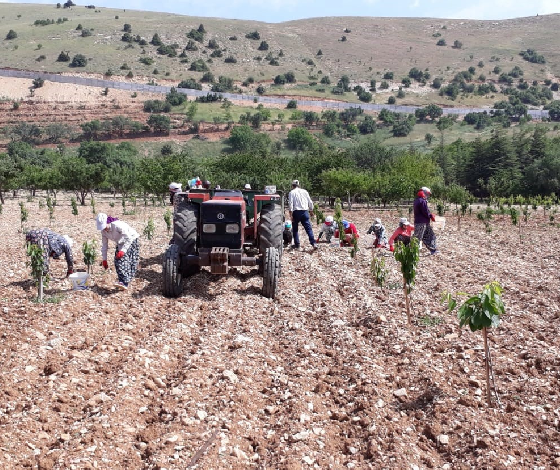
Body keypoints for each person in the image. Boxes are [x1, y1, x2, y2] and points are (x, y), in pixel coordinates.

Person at [96, 213, 140, 290]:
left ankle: (124, 282)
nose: (104, 229)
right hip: (120, 242)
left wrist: (123, 251)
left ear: (107, 222)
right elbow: (104, 246)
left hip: (131, 239)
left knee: (124, 260)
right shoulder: (103, 232)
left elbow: (128, 238)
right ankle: (122, 280)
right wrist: (104, 259)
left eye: (104, 226)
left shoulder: (117, 225)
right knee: (117, 261)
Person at [288, 179, 317, 251]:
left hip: (296, 212)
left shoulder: (292, 192)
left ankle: (297, 245)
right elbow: (310, 202)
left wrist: (291, 214)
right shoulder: (305, 191)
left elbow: (291, 204)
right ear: (299, 185)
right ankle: (313, 243)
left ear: (292, 186)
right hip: (305, 211)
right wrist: (311, 211)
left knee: (295, 229)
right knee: (308, 228)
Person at [413, 188, 438, 255]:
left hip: (420, 222)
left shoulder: (417, 200)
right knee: (418, 238)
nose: (428, 195)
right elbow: (425, 212)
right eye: (427, 194)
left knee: (429, 236)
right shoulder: (422, 201)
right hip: (422, 223)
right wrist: (431, 215)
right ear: (424, 192)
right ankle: (412, 253)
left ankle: (433, 250)